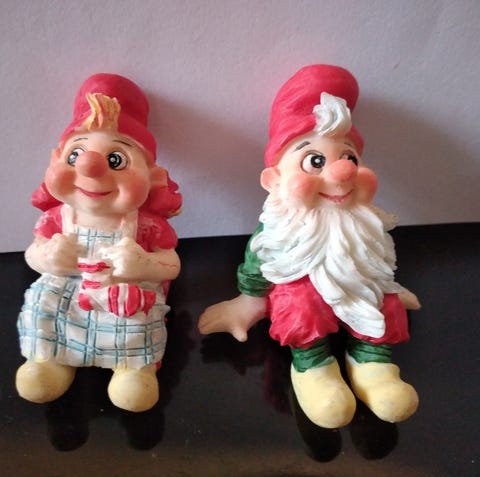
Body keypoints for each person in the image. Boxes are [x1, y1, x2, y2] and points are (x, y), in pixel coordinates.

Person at [199, 64, 420, 428]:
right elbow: (258, 261)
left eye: (349, 158)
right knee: (298, 306)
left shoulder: (364, 220)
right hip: (303, 294)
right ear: (274, 181)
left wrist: (389, 286)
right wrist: (250, 300)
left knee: (383, 305)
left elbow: (377, 256)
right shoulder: (277, 228)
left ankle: (374, 365)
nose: (342, 173)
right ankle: (314, 369)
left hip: (360, 286)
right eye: (315, 161)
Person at [16, 73, 182, 412]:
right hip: (66, 295)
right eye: (75, 155)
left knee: (136, 325)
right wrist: (48, 258)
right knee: (43, 309)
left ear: (152, 178)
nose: (90, 168)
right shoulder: (57, 218)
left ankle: (132, 370)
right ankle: (50, 360)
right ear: (56, 159)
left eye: (116, 160)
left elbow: (171, 264)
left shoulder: (146, 225)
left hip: (121, 298)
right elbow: (32, 253)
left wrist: (143, 265)